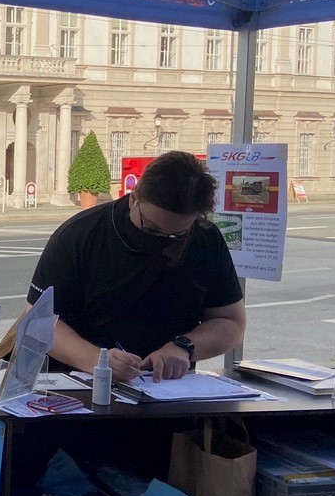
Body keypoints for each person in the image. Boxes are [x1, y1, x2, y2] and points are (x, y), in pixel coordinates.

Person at [26, 150, 246, 383]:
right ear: (134, 198)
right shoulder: (79, 234)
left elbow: (231, 322)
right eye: (151, 228)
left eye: (178, 235)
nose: (163, 240)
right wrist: (97, 360)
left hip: (166, 388)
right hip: (81, 381)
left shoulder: (206, 238)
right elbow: (38, 321)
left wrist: (184, 347)